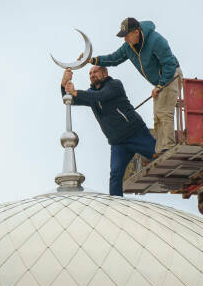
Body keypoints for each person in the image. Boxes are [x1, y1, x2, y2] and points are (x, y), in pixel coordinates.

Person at [89, 17, 183, 154]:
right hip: (159, 82)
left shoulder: (156, 40)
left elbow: (169, 64)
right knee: (157, 115)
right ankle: (158, 149)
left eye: (126, 35)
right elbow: (115, 58)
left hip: (171, 75)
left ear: (136, 32)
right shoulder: (129, 47)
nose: (125, 39)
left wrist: (160, 85)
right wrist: (94, 60)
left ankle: (167, 147)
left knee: (163, 111)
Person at [61, 66, 155, 197]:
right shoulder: (90, 94)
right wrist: (63, 83)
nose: (92, 75)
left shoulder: (115, 85)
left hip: (136, 133)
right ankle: (116, 204)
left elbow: (101, 96)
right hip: (118, 143)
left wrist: (76, 92)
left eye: (95, 72)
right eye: (90, 73)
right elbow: (69, 100)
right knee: (115, 175)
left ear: (105, 73)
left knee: (159, 155)